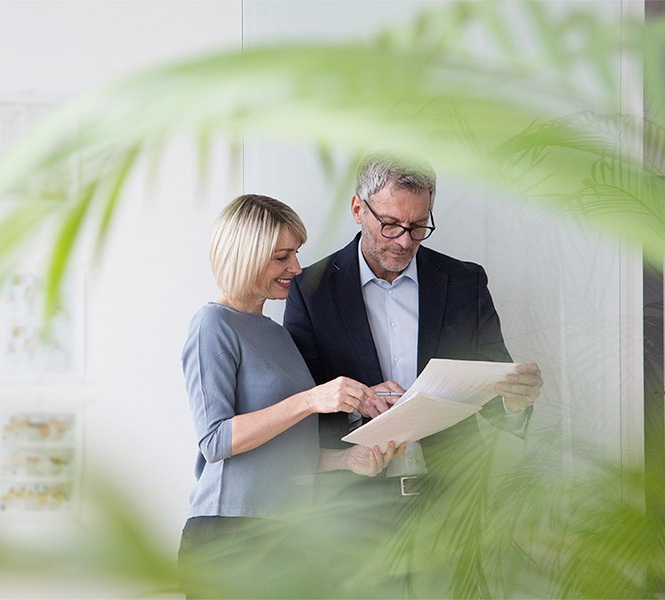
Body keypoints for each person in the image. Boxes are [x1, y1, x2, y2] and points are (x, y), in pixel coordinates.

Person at [283, 154, 544, 594]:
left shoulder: (465, 282)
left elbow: (496, 390)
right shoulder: (309, 289)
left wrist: (516, 404)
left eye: (418, 226)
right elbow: (301, 405)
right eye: (390, 224)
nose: (404, 241)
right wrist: (358, 403)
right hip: (350, 510)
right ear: (357, 209)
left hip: (451, 505)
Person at [178, 194, 403, 599]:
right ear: (245, 255)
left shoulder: (277, 333)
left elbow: (280, 452)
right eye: (282, 257)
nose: (296, 268)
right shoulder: (213, 325)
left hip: (291, 531)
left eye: (295, 254)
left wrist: (346, 461)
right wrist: (311, 399)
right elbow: (215, 442)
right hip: (233, 535)